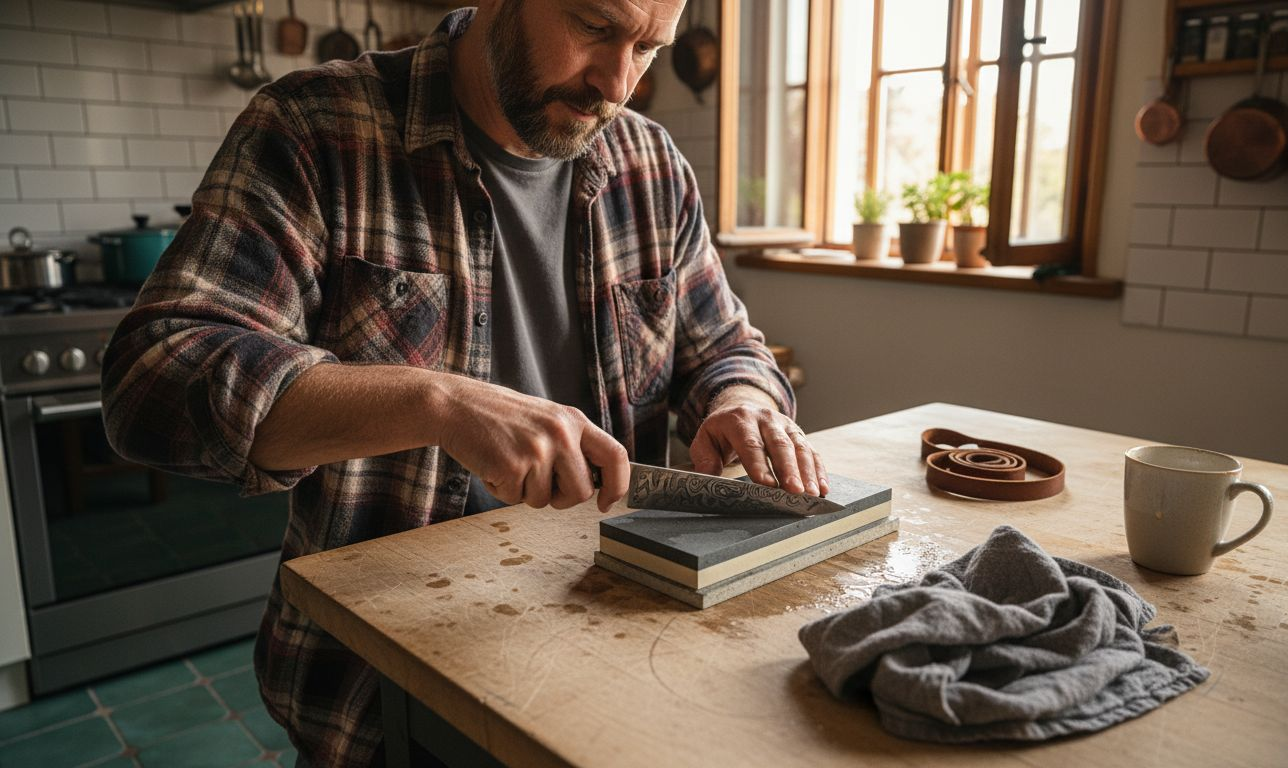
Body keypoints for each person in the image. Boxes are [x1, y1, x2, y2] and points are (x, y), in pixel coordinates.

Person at [101, 1, 827, 765]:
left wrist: (742, 401)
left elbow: (725, 348)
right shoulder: (315, 125)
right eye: (593, 25)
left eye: (648, 47)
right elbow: (150, 380)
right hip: (384, 695)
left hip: (614, 651)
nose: (616, 85)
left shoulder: (652, 166)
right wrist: (437, 401)